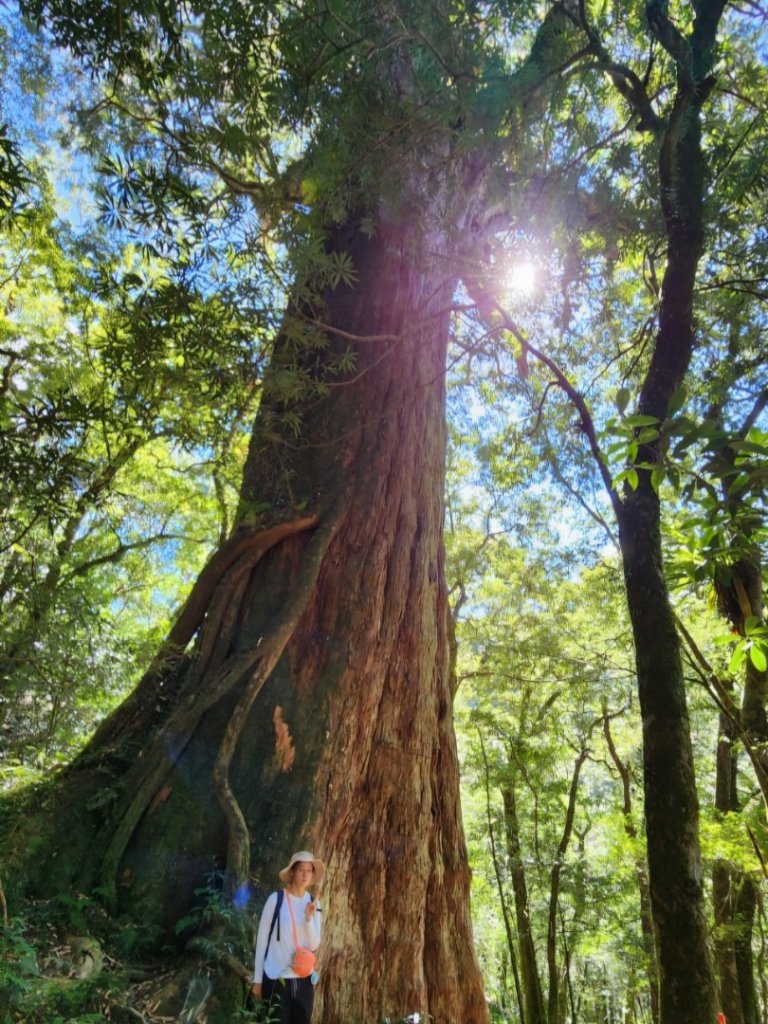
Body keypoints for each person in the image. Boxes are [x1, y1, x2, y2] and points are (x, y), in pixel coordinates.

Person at [252, 850, 325, 1024]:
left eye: (309, 870)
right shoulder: (275, 900)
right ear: (292, 871)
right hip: (277, 977)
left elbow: (314, 944)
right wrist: (257, 981)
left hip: (304, 982)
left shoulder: (315, 903)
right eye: (301, 869)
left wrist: (308, 918)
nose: (305, 874)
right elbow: (262, 941)